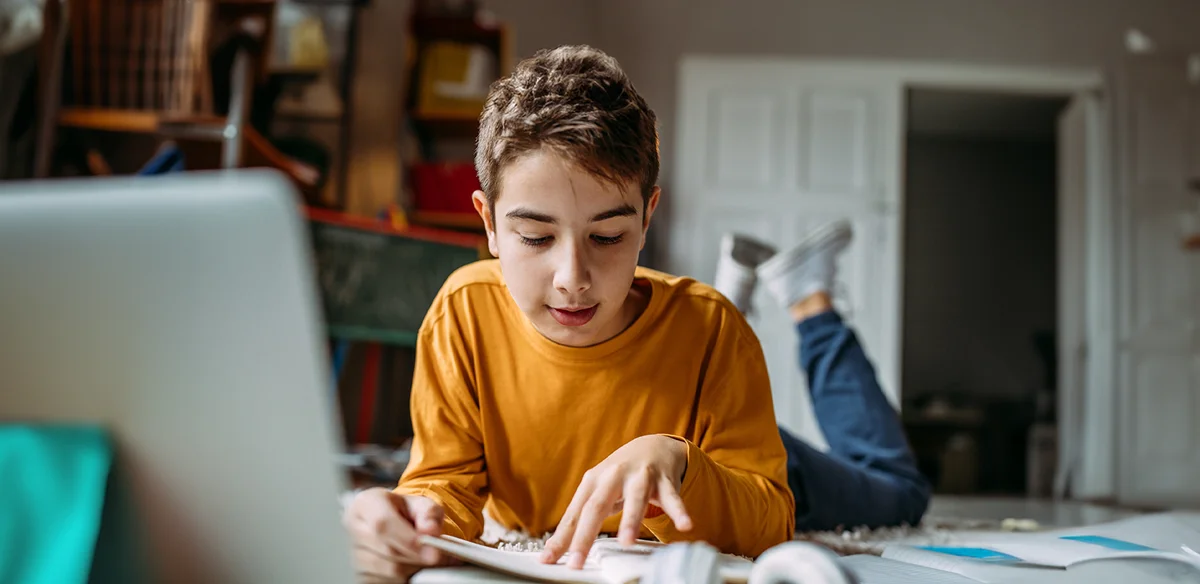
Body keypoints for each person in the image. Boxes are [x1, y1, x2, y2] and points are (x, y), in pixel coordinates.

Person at [343, 45, 794, 583]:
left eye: (607, 237)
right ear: (488, 223)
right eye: (536, 237)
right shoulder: (463, 312)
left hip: (724, 457)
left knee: (886, 489)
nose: (571, 278)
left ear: (647, 218)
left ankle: (814, 306)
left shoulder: (716, 329)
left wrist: (677, 462)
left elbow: (772, 524)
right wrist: (410, 515)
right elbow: (445, 485)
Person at [713, 221, 931, 533]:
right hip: (714, 455)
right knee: (900, 488)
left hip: (708, 456)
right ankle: (729, 323)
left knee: (886, 476)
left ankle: (723, 327)